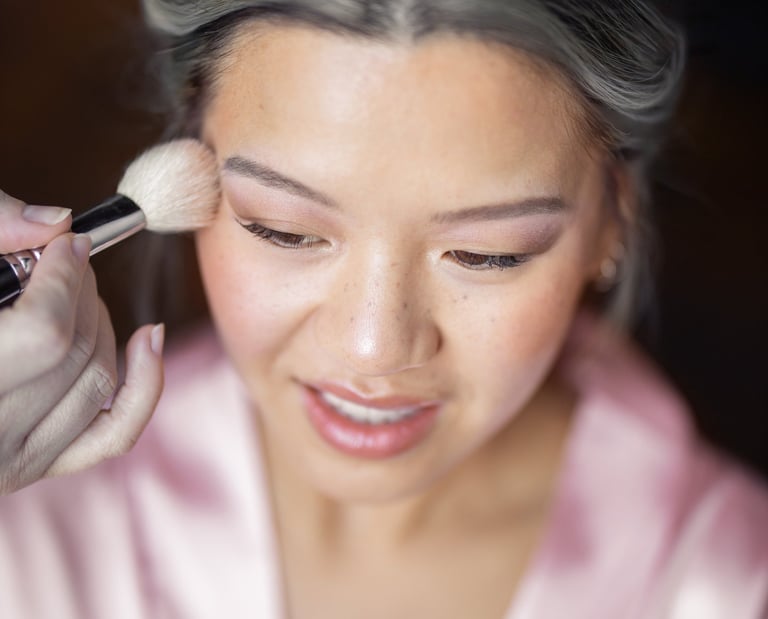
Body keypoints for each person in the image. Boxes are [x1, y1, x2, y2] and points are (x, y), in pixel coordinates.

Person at [0, 1, 766, 618]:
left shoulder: (730, 582)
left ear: (612, 224)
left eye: (487, 253)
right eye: (284, 228)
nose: (373, 348)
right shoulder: (37, 516)